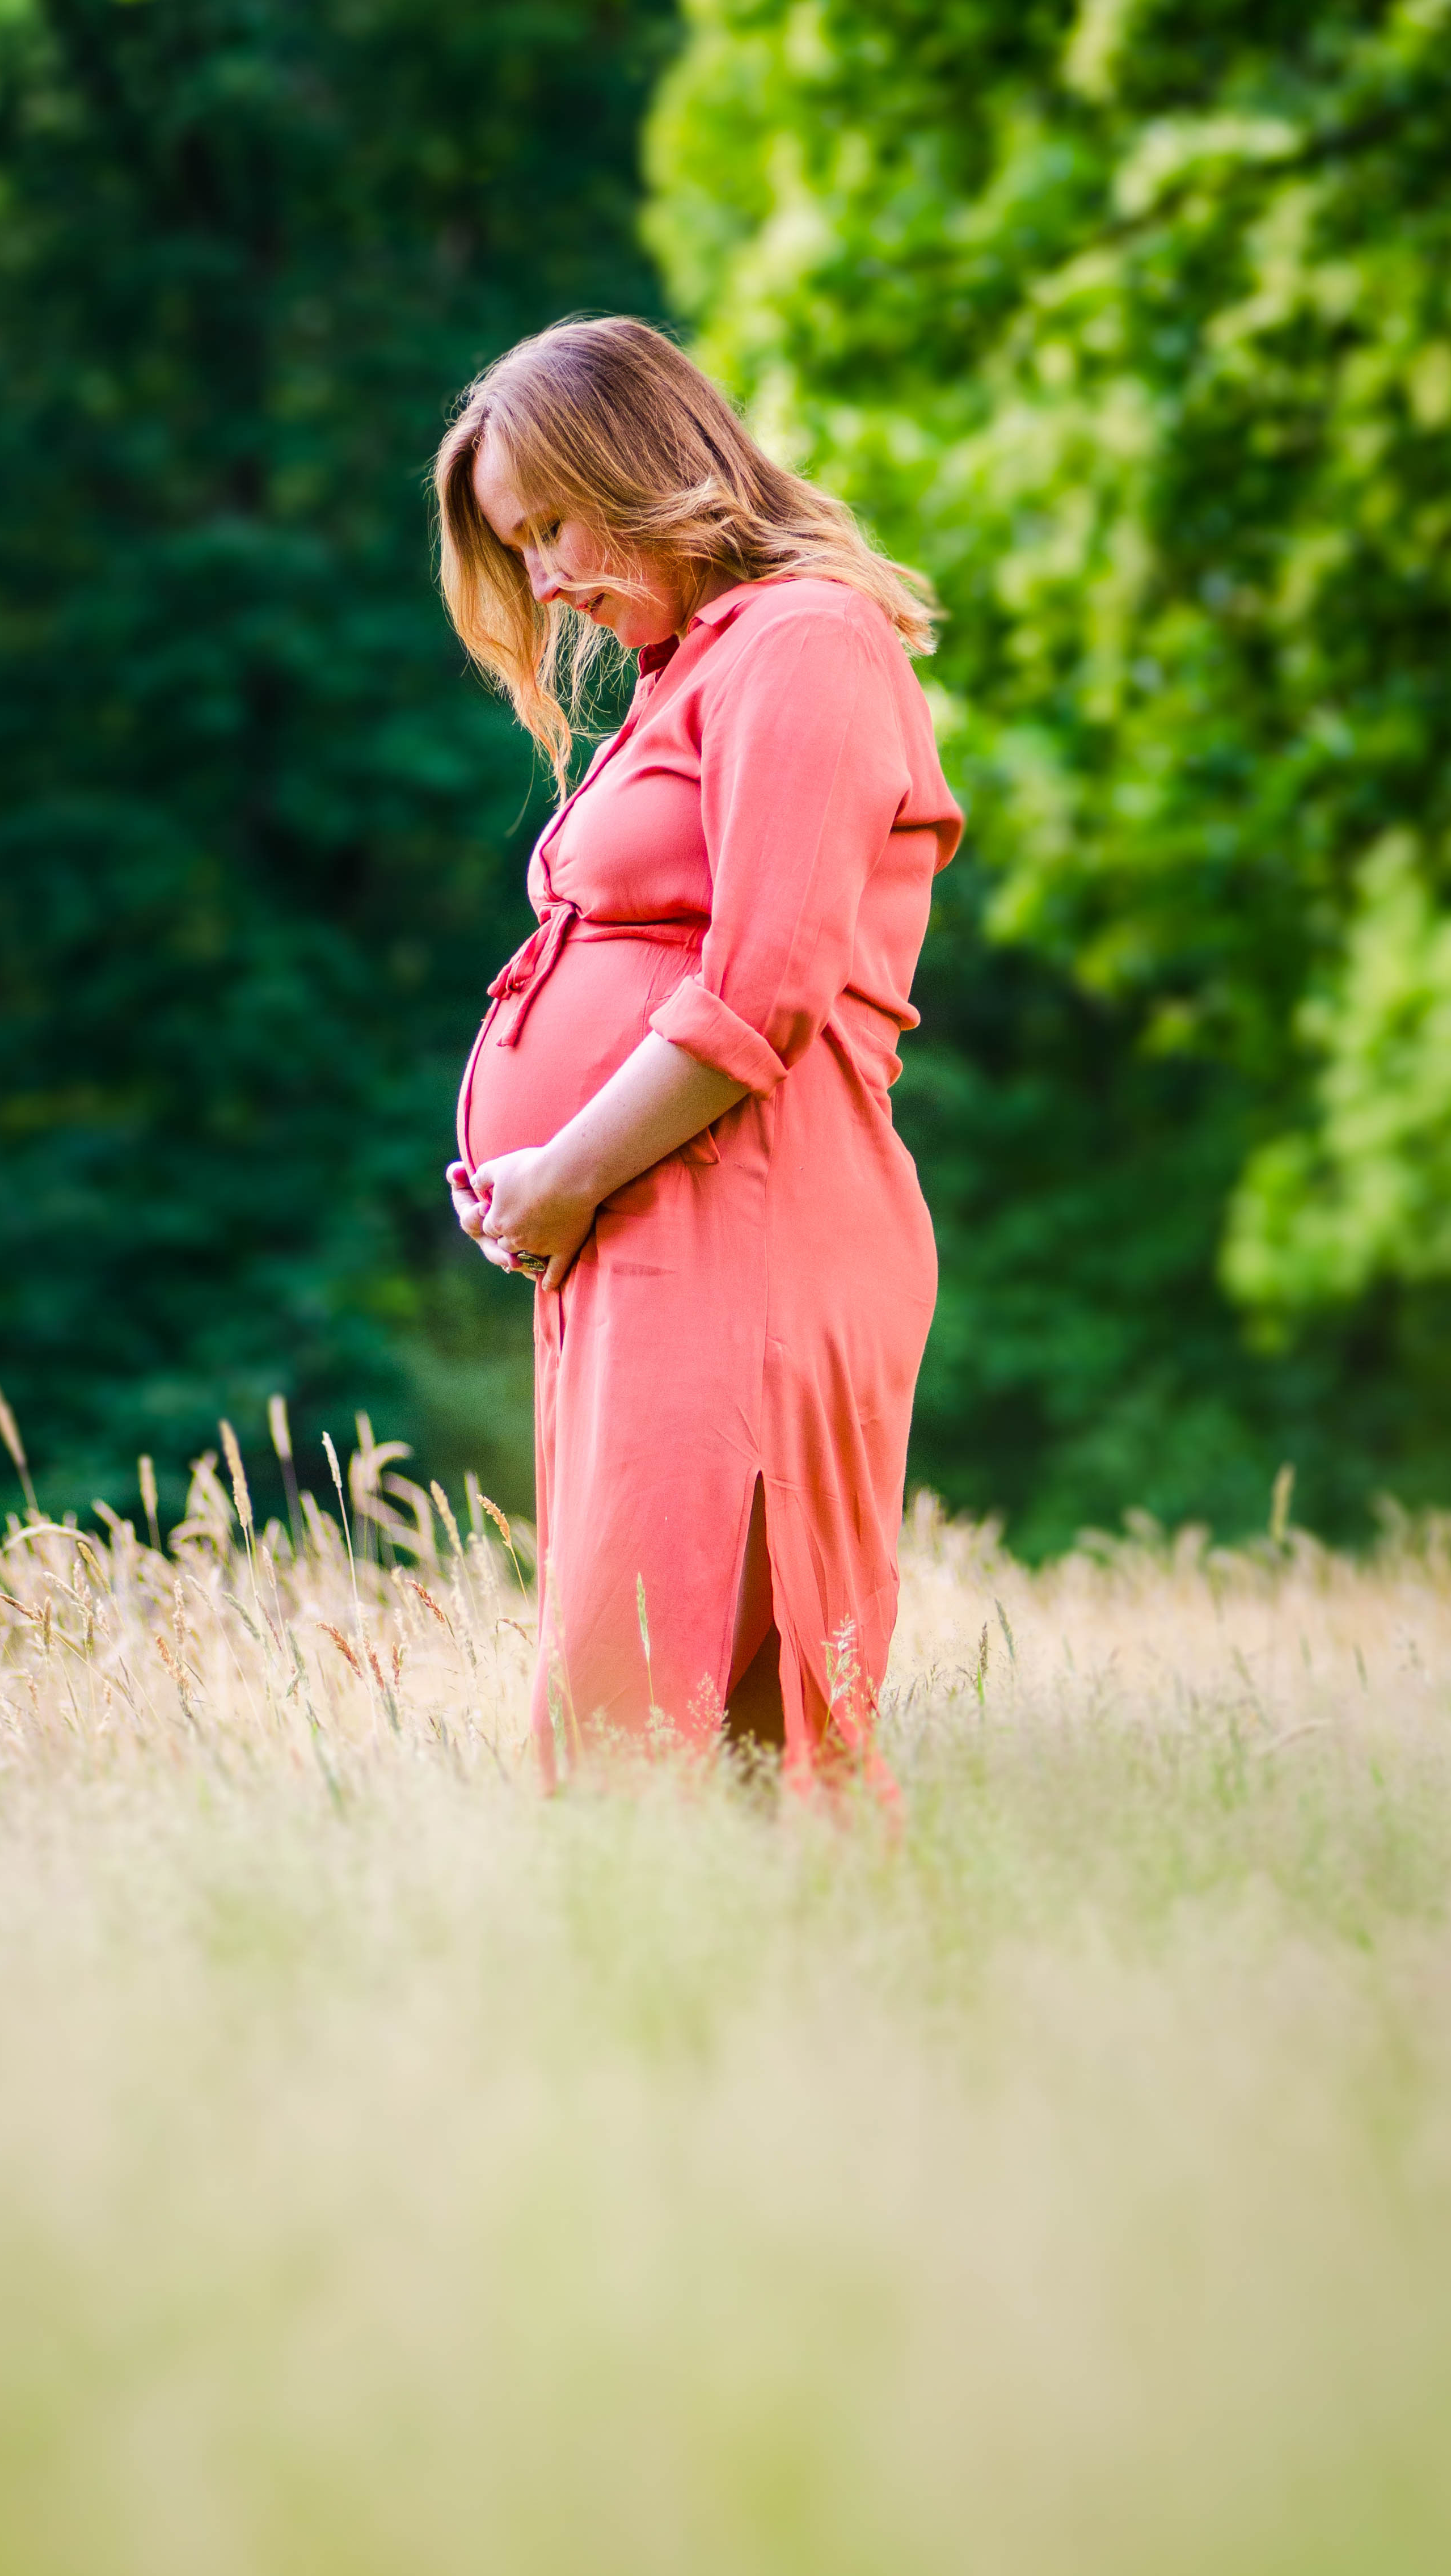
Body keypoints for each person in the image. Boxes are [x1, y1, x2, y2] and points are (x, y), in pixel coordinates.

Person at [434, 318, 963, 1788]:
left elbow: (766, 989)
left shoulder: (804, 643)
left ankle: (775, 1999)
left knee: (710, 1725)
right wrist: (549, 1188)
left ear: (646, 463)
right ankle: (680, 2004)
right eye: (517, 546)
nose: (548, 581)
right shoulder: (693, 670)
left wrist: (565, 1174)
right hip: (650, 1227)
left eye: (553, 525)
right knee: (661, 1720)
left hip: (752, 1223)